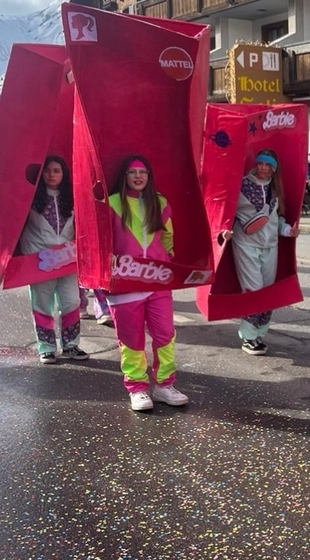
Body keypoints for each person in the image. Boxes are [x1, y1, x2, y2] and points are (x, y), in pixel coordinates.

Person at [107, 155, 188, 411]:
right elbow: (102, 239)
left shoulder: (160, 202)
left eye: (143, 172)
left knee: (165, 335)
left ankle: (165, 385)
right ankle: (137, 388)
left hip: (157, 282)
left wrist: (167, 260)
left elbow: (168, 237)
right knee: (131, 340)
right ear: (125, 177)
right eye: (133, 173)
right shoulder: (113, 203)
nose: (138, 177)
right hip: (125, 284)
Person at [220, 149, 300, 355]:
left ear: (274, 168)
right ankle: (248, 336)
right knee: (253, 290)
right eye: (261, 163)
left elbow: (276, 221)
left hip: (270, 245)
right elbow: (226, 210)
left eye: (268, 164)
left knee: (267, 292)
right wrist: (223, 229)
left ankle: (259, 334)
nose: (263, 168)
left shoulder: (275, 190)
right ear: (256, 164)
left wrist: (288, 231)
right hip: (246, 243)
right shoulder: (242, 185)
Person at [19, 155, 90, 365]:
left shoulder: (73, 197)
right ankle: (47, 347)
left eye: (57, 170)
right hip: (40, 259)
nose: (52, 175)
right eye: (48, 170)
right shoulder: (30, 198)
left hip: (67, 258)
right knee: (42, 303)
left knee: (71, 302)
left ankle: (71, 345)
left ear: (64, 174)